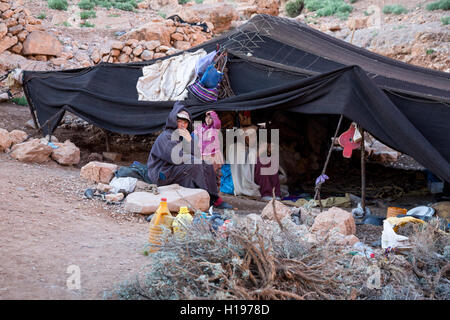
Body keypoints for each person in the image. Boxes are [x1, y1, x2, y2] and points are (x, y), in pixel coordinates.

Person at [147, 101, 232, 209]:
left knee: (206, 164)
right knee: (195, 165)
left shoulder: (183, 136)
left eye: (185, 122)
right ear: (173, 121)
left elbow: (195, 153)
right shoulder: (166, 136)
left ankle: (214, 198)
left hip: (173, 169)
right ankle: (204, 198)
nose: (182, 125)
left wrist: (189, 140)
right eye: (179, 121)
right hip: (162, 173)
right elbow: (177, 158)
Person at [194, 110, 224, 174]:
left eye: (210, 118)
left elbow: (217, 123)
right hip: (203, 155)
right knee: (204, 173)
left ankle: (216, 183)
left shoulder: (215, 128)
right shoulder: (200, 127)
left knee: (214, 173)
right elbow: (192, 136)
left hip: (213, 155)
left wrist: (213, 114)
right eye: (207, 117)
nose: (208, 119)